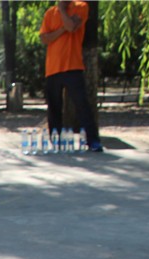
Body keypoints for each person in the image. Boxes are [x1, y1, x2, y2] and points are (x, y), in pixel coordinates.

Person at [39, 1, 103, 153]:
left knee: (82, 105)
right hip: (53, 67)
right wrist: (62, 28)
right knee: (54, 107)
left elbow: (71, 27)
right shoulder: (49, 13)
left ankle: (93, 140)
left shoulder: (81, 7)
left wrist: (62, 10)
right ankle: (56, 141)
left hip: (73, 65)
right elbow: (44, 38)